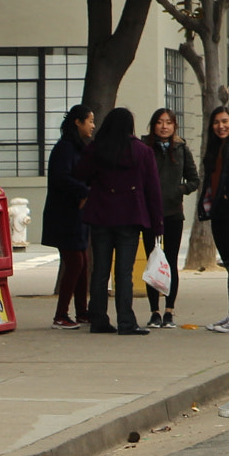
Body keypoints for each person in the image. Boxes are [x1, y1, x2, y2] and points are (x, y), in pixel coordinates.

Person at [76, 107, 163, 335]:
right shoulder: (142, 152)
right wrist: (157, 224)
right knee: (124, 272)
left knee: (100, 270)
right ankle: (126, 321)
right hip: (130, 217)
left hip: (101, 216)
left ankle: (98, 319)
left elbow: (80, 173)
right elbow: (152, 190)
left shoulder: (97, 149)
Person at [142, 108, 200, 329]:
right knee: (152, 261)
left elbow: (194, 179)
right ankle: (154, 311)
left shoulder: (181, 148)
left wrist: (179, 190)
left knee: (170, 262)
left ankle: (169, 310)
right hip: (150, 214)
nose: (164, 126)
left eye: (168, 123)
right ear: (153, 125)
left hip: (174, 213)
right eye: (159, 122)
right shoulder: (145, 147)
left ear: (174, 126)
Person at [44, 106, 94, 328]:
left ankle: (82, 312)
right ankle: (60, 315)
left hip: (78, 215)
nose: (92, 125)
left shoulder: (78, 148)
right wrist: (83, 192)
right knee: (75, 262)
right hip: (64, 215)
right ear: (77, 122)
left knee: (83, 262)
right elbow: (61, 178)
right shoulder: (64, 149)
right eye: (90, 121)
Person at [200, 104, 229, 331]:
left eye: (225, 121)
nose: (221, 126)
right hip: (218, 214)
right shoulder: (215, 147)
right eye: (217, 122)